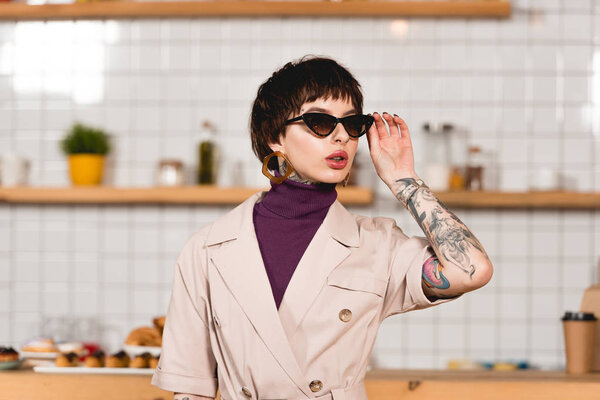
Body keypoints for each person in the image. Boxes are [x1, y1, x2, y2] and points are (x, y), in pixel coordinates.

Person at [151, 55, 493, 400]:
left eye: (352, 123)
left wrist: (403, 179)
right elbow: (190, 389)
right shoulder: (208, 248)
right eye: (319, 122)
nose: (341, 136)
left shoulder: (377, 243)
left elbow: (473, 270)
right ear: (275, 137)